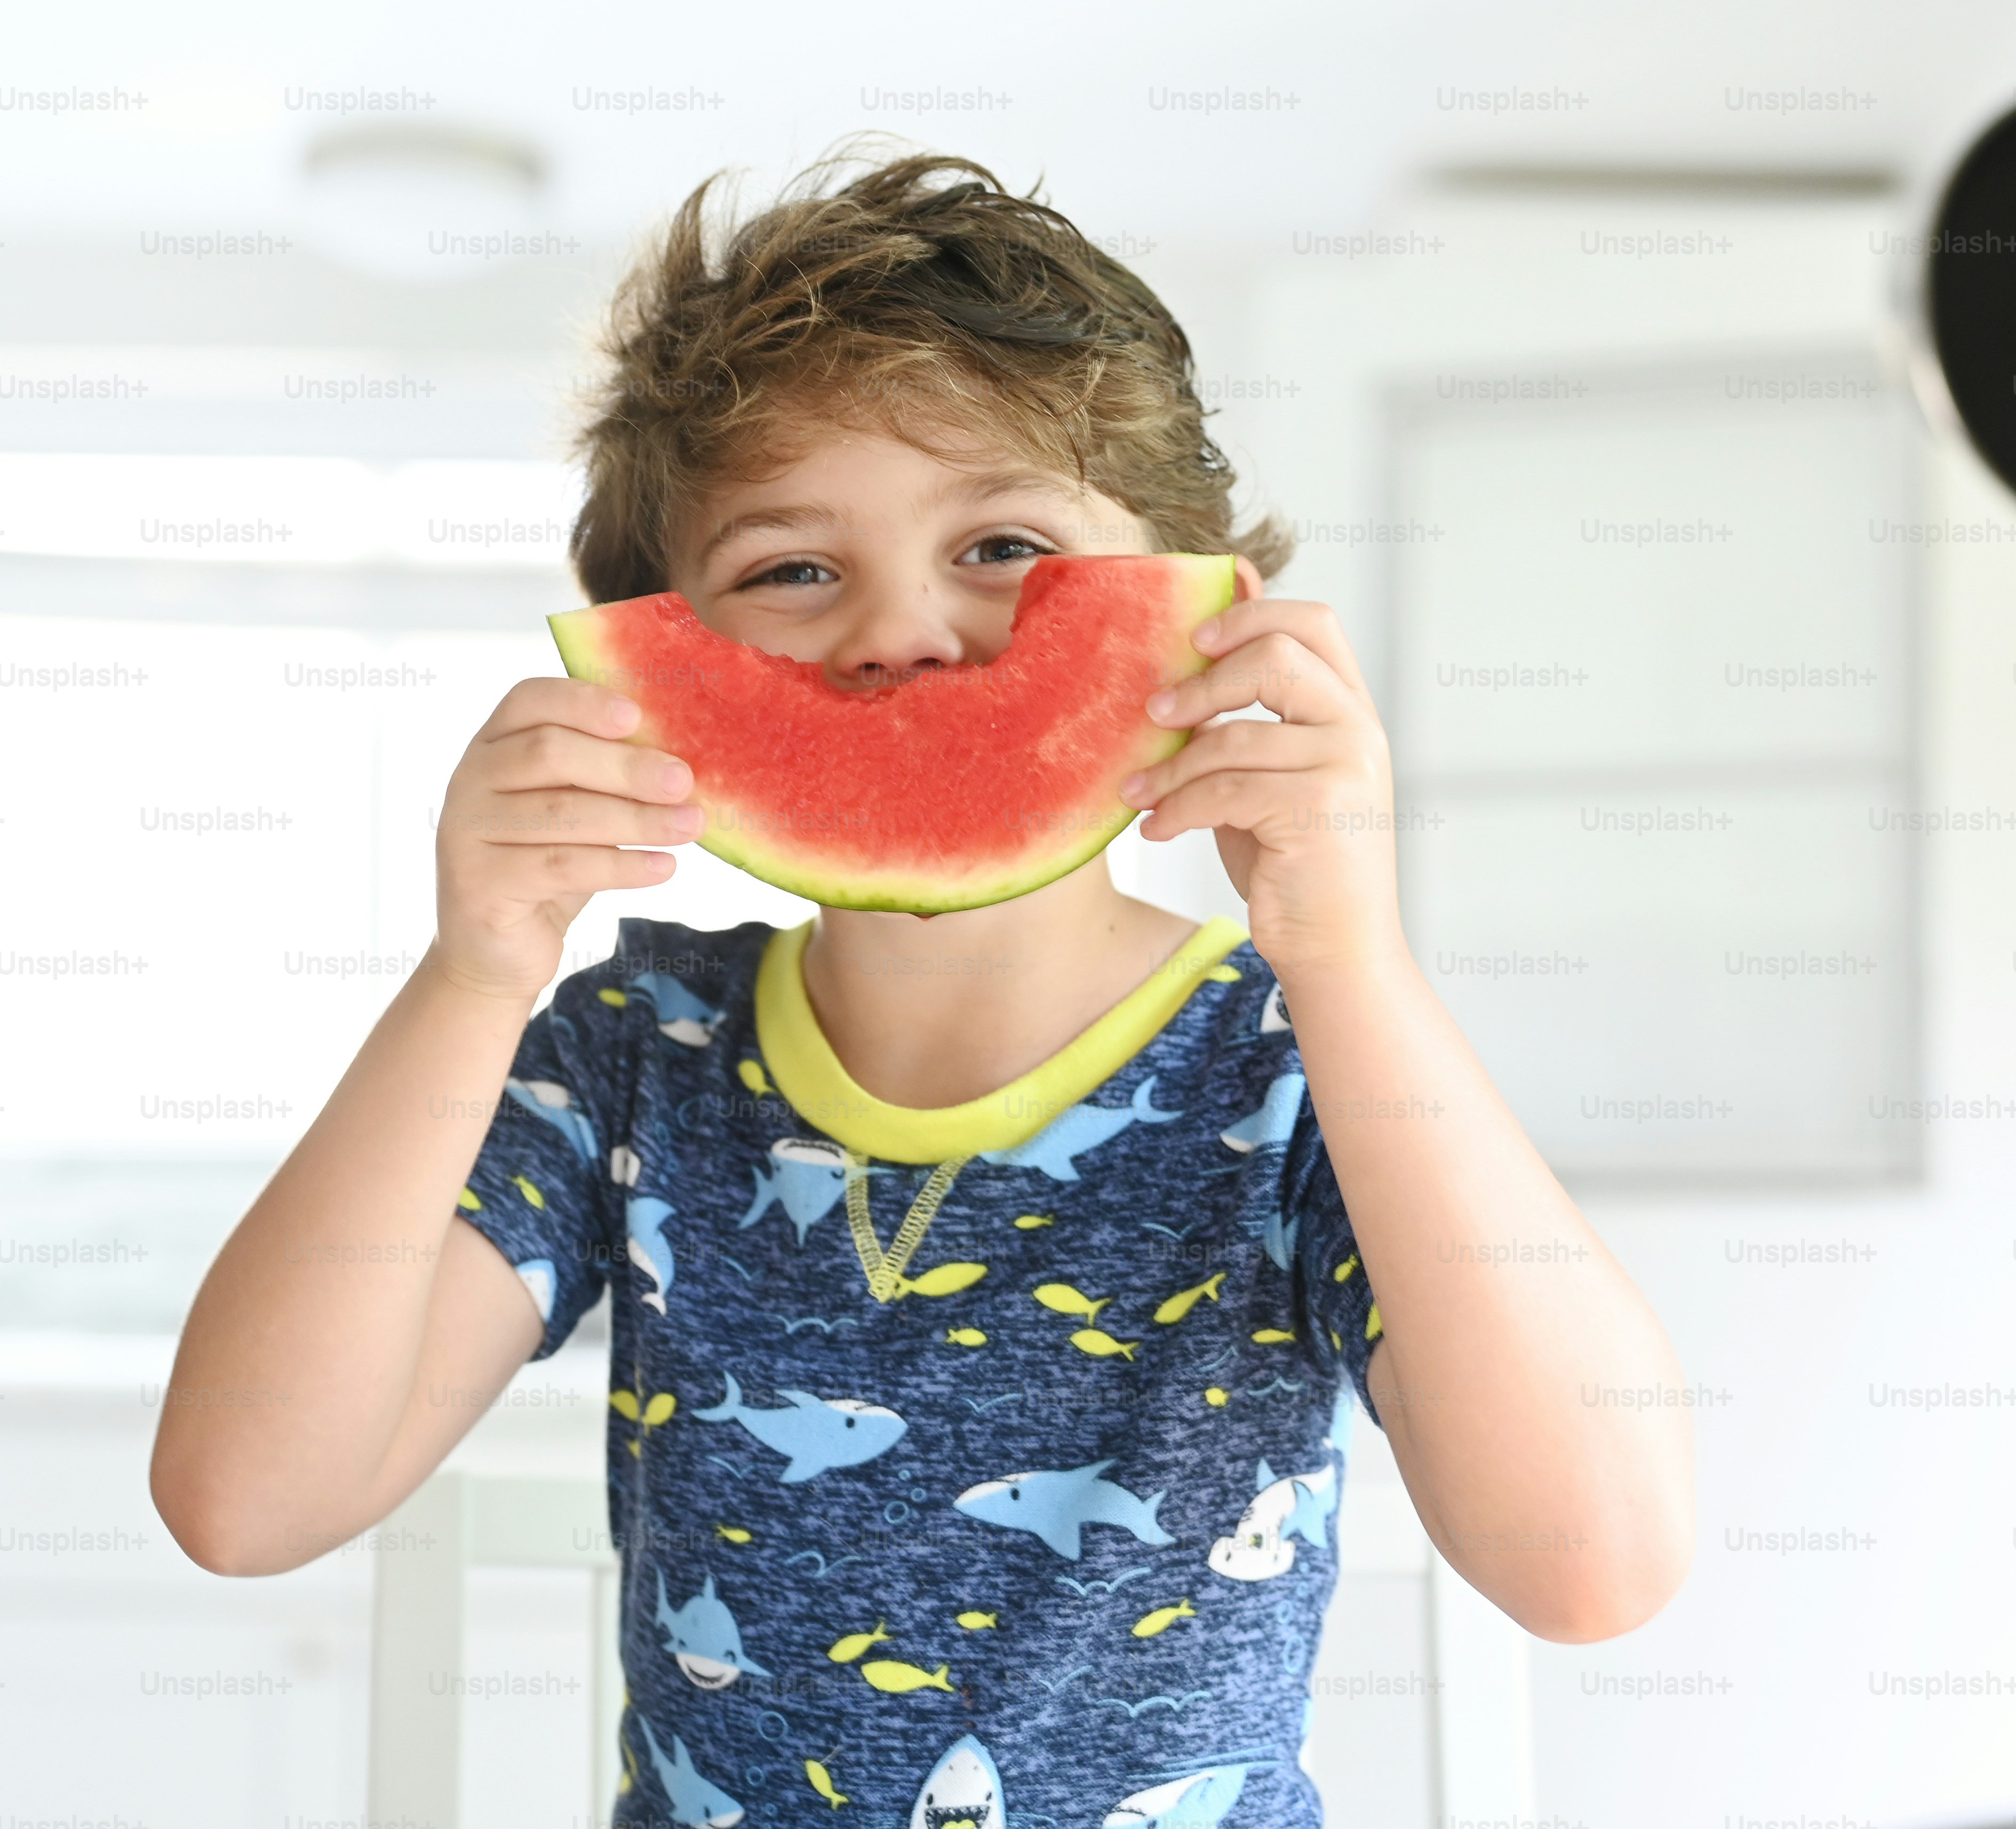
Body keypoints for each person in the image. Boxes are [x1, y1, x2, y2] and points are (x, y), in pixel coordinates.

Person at [152, 147, 1694, 1827]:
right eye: (790, 568)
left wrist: (1352, 964)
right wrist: (475, 970)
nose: (901, 634)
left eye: (1003, 544)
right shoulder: (636, 1054)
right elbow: (245, 1498)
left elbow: (1591, 1563)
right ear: (658, 662)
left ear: (1199, 614)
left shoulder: (1291, 1065)